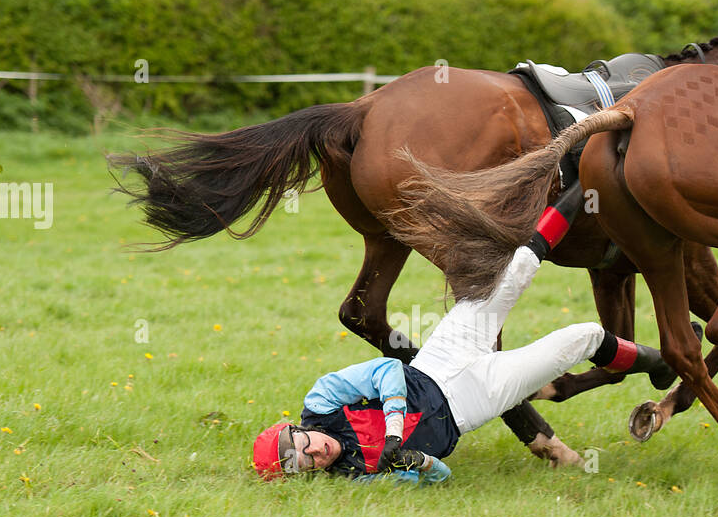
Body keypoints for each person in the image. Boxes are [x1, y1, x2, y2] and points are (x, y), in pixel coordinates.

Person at [252, 192, 695, 484]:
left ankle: (584, 180)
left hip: (440, 360)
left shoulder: (322, 402)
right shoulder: (355, 476)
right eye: (307, 462)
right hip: (472, 403)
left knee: (517, 269)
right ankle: (658, 362)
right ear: (307, 475)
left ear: (297, 427)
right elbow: (441, 475)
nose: (317, 451)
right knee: (584, 336)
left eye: (304, 443)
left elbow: (388, 369)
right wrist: (416, 463)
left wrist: (390, 433)